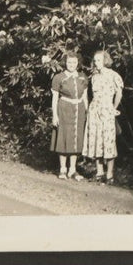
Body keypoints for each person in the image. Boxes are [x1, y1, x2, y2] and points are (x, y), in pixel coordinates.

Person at [82, 48, 124, 183]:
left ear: (105, 60)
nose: (97, 63)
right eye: (95, 61)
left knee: (109, 141)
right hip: (94, 110)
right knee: (96, 141)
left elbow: (119, 93)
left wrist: (114, 107)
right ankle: (99, 173)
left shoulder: (113, 75)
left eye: (99, 60)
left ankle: (110, 174)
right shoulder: (94, 77)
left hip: (107, 110)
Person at [48, 51, 89, 179]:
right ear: (65, 63)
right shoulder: (58, 77)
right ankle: (62, 169)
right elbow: (55, 98)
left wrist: (87, 113)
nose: (72, 64)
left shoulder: (83, 77)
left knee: (76, 139)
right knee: (63, 137)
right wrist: (55, 115)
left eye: (74, 62)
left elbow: (85, 97)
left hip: (79, 110)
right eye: (69, 62)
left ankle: (72, 170)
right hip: (64, 109)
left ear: (78, 63)